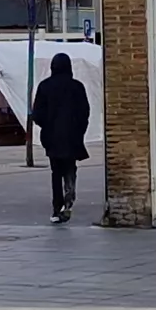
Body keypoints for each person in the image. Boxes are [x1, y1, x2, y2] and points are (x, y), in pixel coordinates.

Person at [31, 53, 93, 225]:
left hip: (52, 136)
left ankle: (57, 207)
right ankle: (69, 194)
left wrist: (47, 125)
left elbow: (37, 114)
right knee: (70, 166)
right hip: (72, 135)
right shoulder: (77, 87)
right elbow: (84, 112)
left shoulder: (45, 86)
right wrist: (79, 130)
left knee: (56, 171)